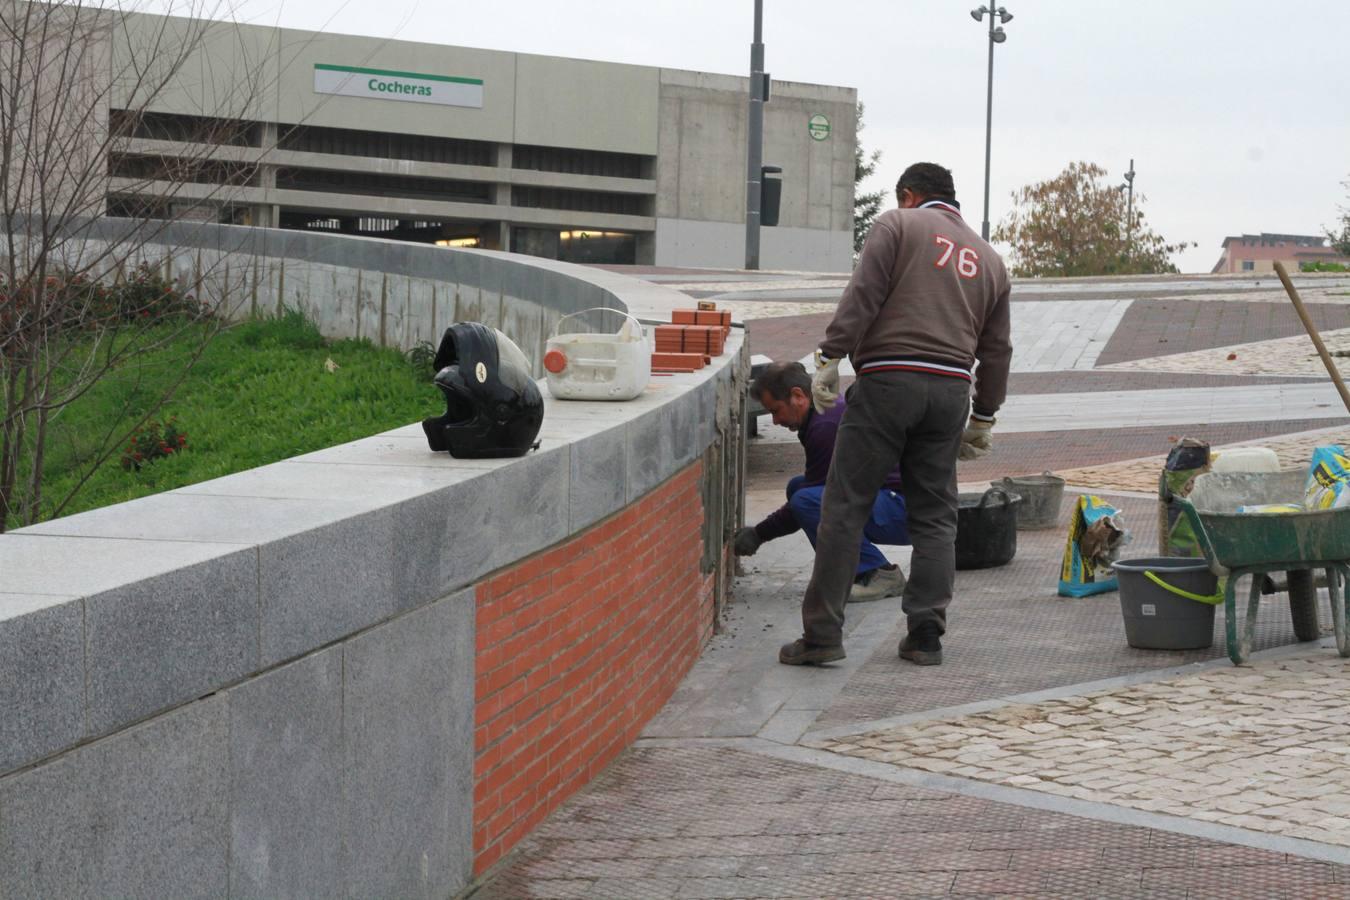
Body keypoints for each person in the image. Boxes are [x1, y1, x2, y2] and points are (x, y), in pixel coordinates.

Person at [779, 161, 1012, 668]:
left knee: (844, 507)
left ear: (909, 195)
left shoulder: (896, 224)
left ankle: (822, 636)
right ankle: (925, 634)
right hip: (950, 392)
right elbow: (997, 349)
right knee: (934, 516)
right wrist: (985, 414)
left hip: (888, 381)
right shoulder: (991, 261)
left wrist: (828, 355)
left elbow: (864, 294)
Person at [733, 361, 909, 602]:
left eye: (775, 410)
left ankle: (876, 572)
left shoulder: (825, 425)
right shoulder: (822, 413)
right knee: (799, 488)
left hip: (905, 510)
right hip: (891, 501)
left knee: (806, 500)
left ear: (798, 396)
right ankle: (850, 571)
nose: (774, 421)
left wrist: (759, 534)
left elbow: (815, 503)